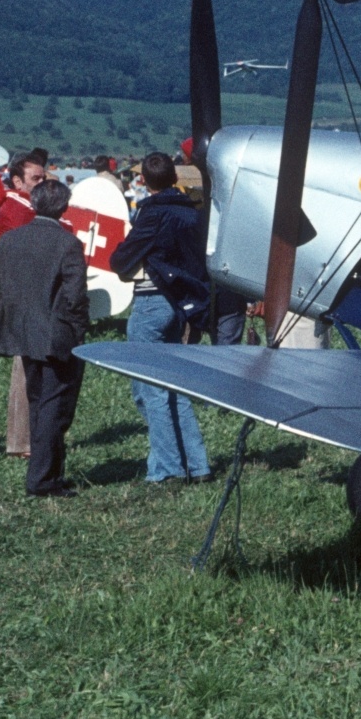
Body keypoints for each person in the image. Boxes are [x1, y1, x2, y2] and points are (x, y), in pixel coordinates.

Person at [108, 152, 210, 483]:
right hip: (180, 303)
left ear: (144, 180)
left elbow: (122, 260)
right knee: (173, 386)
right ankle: (197, 464)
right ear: (174, 177)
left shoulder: (152, 213)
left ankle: (167, 469)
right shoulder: (192, 212)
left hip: (152, 301)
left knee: (150, 390)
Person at [0, 178, 88, 497]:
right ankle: (43, 479)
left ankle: (49, 474)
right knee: (54, 407)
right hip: (58, 336)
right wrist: (78, 331)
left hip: (24, 333)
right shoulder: (68, 244)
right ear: (64, 207)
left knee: (38, 402)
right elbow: (75, 297)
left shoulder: (10, 240)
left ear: (33, 203)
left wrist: (19, 316)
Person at [0, 151, 49, 459]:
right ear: (17, 181)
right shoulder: (15, 210)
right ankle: (23, 442)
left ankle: (26, 440)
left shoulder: (27, 208)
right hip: (28, 302)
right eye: (35, 178)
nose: (41, 183)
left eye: (43, 177)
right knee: (26, 372)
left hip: (34, 301)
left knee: (31, 370)